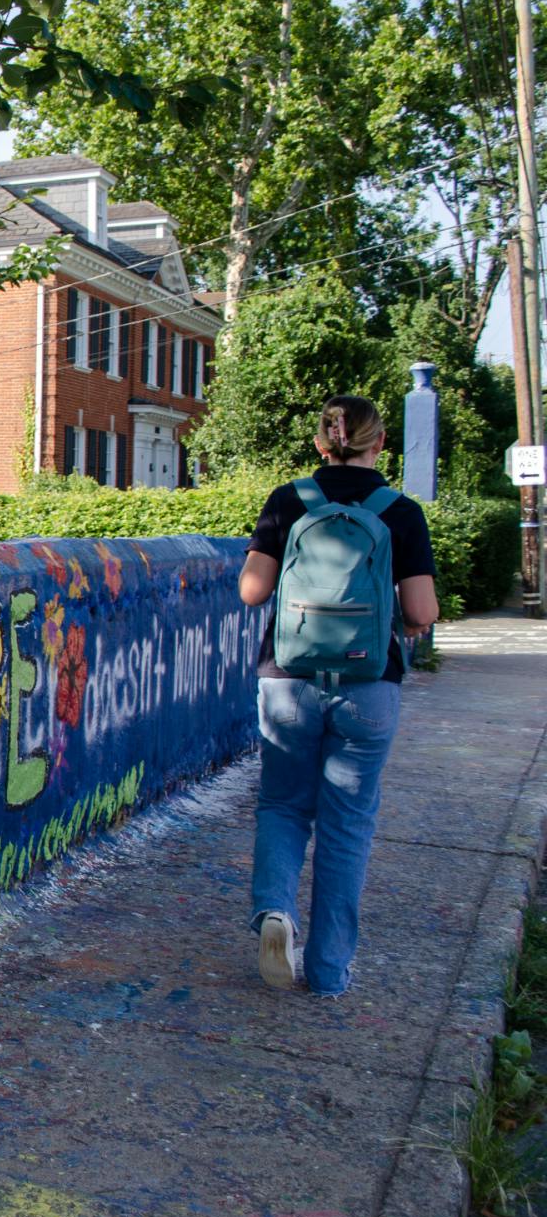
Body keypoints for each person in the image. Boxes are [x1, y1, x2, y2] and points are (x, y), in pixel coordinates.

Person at [237, 395, 440, 997]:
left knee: (282, 806)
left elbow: (253, 591)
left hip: (289, 681)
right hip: (368, 688)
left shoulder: (290, 499)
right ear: (380, 444)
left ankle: (275, 911)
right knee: (348, 824)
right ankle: (327, 971)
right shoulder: (399, 511)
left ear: (323, 444)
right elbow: (422, 611)